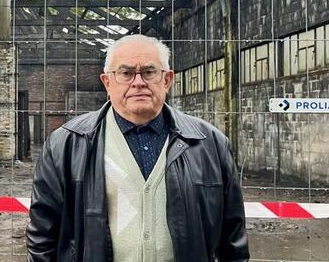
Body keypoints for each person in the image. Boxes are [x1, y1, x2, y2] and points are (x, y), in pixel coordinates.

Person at [26, 35, 249, 262]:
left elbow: (233, 239)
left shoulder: (209, 144)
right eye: (126, 73)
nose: (138, 82)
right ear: (107, 82)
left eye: (149, 72)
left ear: (167, 80)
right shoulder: (67, 145)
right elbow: (42, 237)